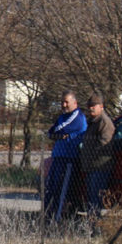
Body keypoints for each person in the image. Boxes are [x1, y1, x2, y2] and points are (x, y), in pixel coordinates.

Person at [45, 91, 88, 222]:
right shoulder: (62, 116)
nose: (63, 105)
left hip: (69, 158)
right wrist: (58, 136)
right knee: (50, 188)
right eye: (62, 102)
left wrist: (59, 135)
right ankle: (48, 216)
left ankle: (57, 219)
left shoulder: (77, 117)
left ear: (74, 103)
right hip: (58, 156)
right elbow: (50, 133)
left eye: (66, 102)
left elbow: (58, 130)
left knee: (62, 189)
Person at [79, 93, 115, 219]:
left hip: (100, 166)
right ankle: (91, 220)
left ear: (101, 106)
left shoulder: (104, 122)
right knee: (90, 196)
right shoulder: (92, 123)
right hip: (90, 167)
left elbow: (105, 143)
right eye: (89, 106)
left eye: (94, 106)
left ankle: (95, 223)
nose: (91, 108)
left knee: (96, 197)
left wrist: (90, 152)